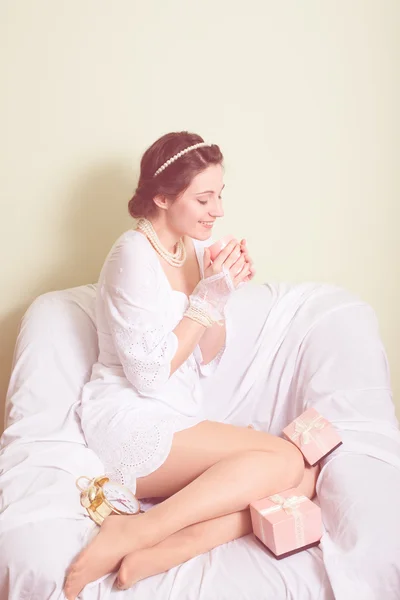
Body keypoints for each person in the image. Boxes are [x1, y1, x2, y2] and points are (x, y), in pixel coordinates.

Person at [64, 131, 320, 599]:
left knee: (304, 478)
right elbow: (148, 376)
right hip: (130, 417)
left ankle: (167, 547)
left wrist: (220, 290)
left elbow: (205, 354)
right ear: (162, 197)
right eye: (204, 198)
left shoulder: (192, 250)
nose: (218, 210)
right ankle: (138, 531)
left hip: (176, 414)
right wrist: (204, 300)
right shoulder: (131, 254)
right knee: (286, 461)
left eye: (220, 195)